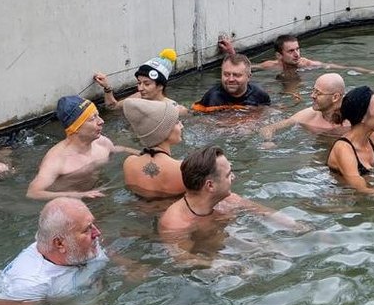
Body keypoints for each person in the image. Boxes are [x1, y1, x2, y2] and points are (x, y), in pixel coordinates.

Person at [0, 197, 141, 305]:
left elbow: (103, 247)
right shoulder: (30, 282)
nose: (97, 233)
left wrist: (127, 264)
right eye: (87, 229)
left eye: (93, 224)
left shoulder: (77, 245)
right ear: (59, 243)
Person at [158, 145, 298, 245]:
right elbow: (185, 260)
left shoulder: (227, 199)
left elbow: (265, 213)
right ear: (210, 185)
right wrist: (227, 266)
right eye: (228, 174)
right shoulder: (175, 224)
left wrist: (300, 227)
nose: (234, 178)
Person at [26, 96, 137, 200]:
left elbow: (117, 150)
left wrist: (141, 153)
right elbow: (33, 192)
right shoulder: (56, 160)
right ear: (75, 127)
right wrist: (75, 195)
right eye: (92, 118)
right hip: (70, 202)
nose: (101, 121)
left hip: (97, 192)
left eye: (98, 115)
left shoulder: (101, 142)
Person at [121, 98, 185, 199]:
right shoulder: (182, 169)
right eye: (177, 122)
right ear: (165, 132)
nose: (182, 126)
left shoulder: (129, 163)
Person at [93, 48, 187, 116]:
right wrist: (107, 87)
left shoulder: (175, 109)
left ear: (160, 86)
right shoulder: (137, 98)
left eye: (147, 84)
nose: (140, 88)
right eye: (139, 83)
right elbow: (112, 107)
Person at [219, 33, 374, 74]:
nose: (296, 54)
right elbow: (245, 68)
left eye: (297, 49)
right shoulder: (271, 66)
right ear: (279, 55)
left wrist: (370, 71)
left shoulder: (307, 64)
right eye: (291, 51)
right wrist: (232, 53)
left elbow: (341, 67)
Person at [260, 72, 348, 141]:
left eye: (318, 93)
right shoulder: (308, 116)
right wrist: (268, 141)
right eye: (313, 90)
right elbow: (269, 128)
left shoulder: (353, 119)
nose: (312, 96)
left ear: (335, 97)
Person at [192, 54, 271, 112]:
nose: (231, 79)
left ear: (248, 77)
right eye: (226, 74)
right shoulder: (214, 97)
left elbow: (267, 111)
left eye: (237, 75)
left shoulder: (259, 94)